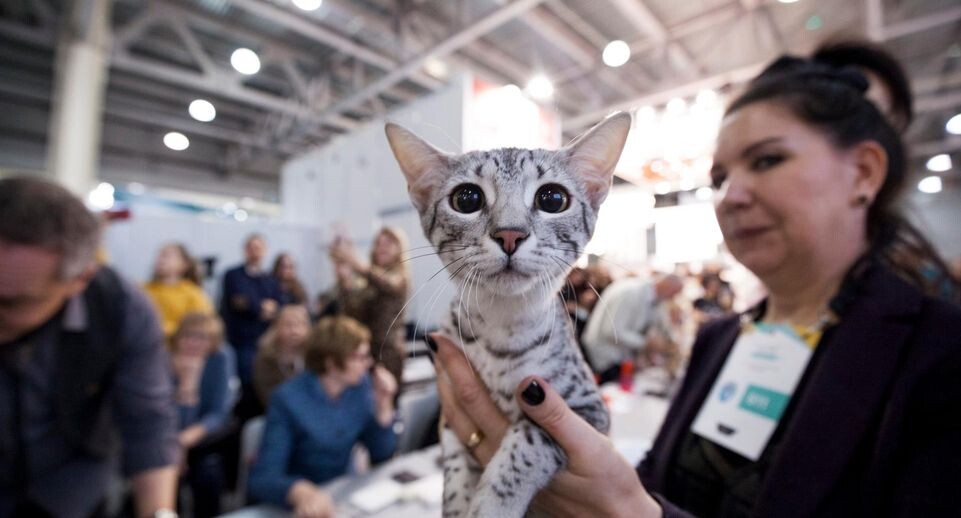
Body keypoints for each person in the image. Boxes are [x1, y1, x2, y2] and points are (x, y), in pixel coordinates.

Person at [432, 48, 961, 516]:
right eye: (719, 178)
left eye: (767, 160)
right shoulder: (719, 340)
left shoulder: (940, 355)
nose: (730, 196)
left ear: (864, 172)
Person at [0, 176, 179, 517]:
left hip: (68, 492)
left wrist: (159, 512)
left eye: (11, 303)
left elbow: (148, 423)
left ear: (79, 279)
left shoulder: (122, 309)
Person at [247, 316, 399, 515]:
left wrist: (384, 405)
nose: (368, 363)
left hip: (338, 493)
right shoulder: (288, 399)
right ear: (331, 364)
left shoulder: (360, 388)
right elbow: (263, 478)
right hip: (295, 503)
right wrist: (300, 491)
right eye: (359, 357)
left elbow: (381, 453)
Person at [169, 312, 235, 518]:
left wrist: (183, 442)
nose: (193, 343)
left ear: (213, 341)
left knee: (208, 473)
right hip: (166, 434)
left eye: (202, 337)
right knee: (167, 474)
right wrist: (186, 386)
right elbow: (161, 414)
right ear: (177, 338)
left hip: (205, 437)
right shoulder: (163, 360)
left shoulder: (221, 357)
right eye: (188, 335)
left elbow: (219, 412)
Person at [329, 227, 411, 386]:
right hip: (364, 353)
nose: (382, 247)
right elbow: (351, 313)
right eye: (378, 243)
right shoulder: (367, 282)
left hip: (387, 354)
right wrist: (344, 281)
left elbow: (386, 282)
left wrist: (353, 261)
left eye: (388, 243)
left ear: (399, 249)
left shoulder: (400, 278)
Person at [221, 233, 284, 417]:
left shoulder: (270, 279)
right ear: (245, 250)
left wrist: (259, 306)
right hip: (242, 341)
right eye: (251, 247)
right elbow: (240, 302)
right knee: (247, 382)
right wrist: (261, 308)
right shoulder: (233, 275)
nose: (255, 251)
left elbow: (279, 304)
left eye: (259, 247)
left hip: (266, 340)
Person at [581, 274, 684, 384]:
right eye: (674, 294)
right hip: (602, 357)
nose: (673, 298)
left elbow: (661, 323)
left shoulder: (654, 298)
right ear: (667, 286)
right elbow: (612, 331)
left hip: (614, 357)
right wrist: (646, 343)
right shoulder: (631, 293)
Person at [144, 242, 214, 337]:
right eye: (159, 256)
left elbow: (200, 326)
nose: (160, 260)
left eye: (167, 256)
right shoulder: (142, 290)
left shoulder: (194, 293)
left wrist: (162, 329)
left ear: (184, 264)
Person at [253, 304, 310, 406]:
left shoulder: (314, 356)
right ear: (277, 328)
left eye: (300, 324)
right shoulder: (265, 358)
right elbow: (267, 396)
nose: (294, 331)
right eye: (288, 325)